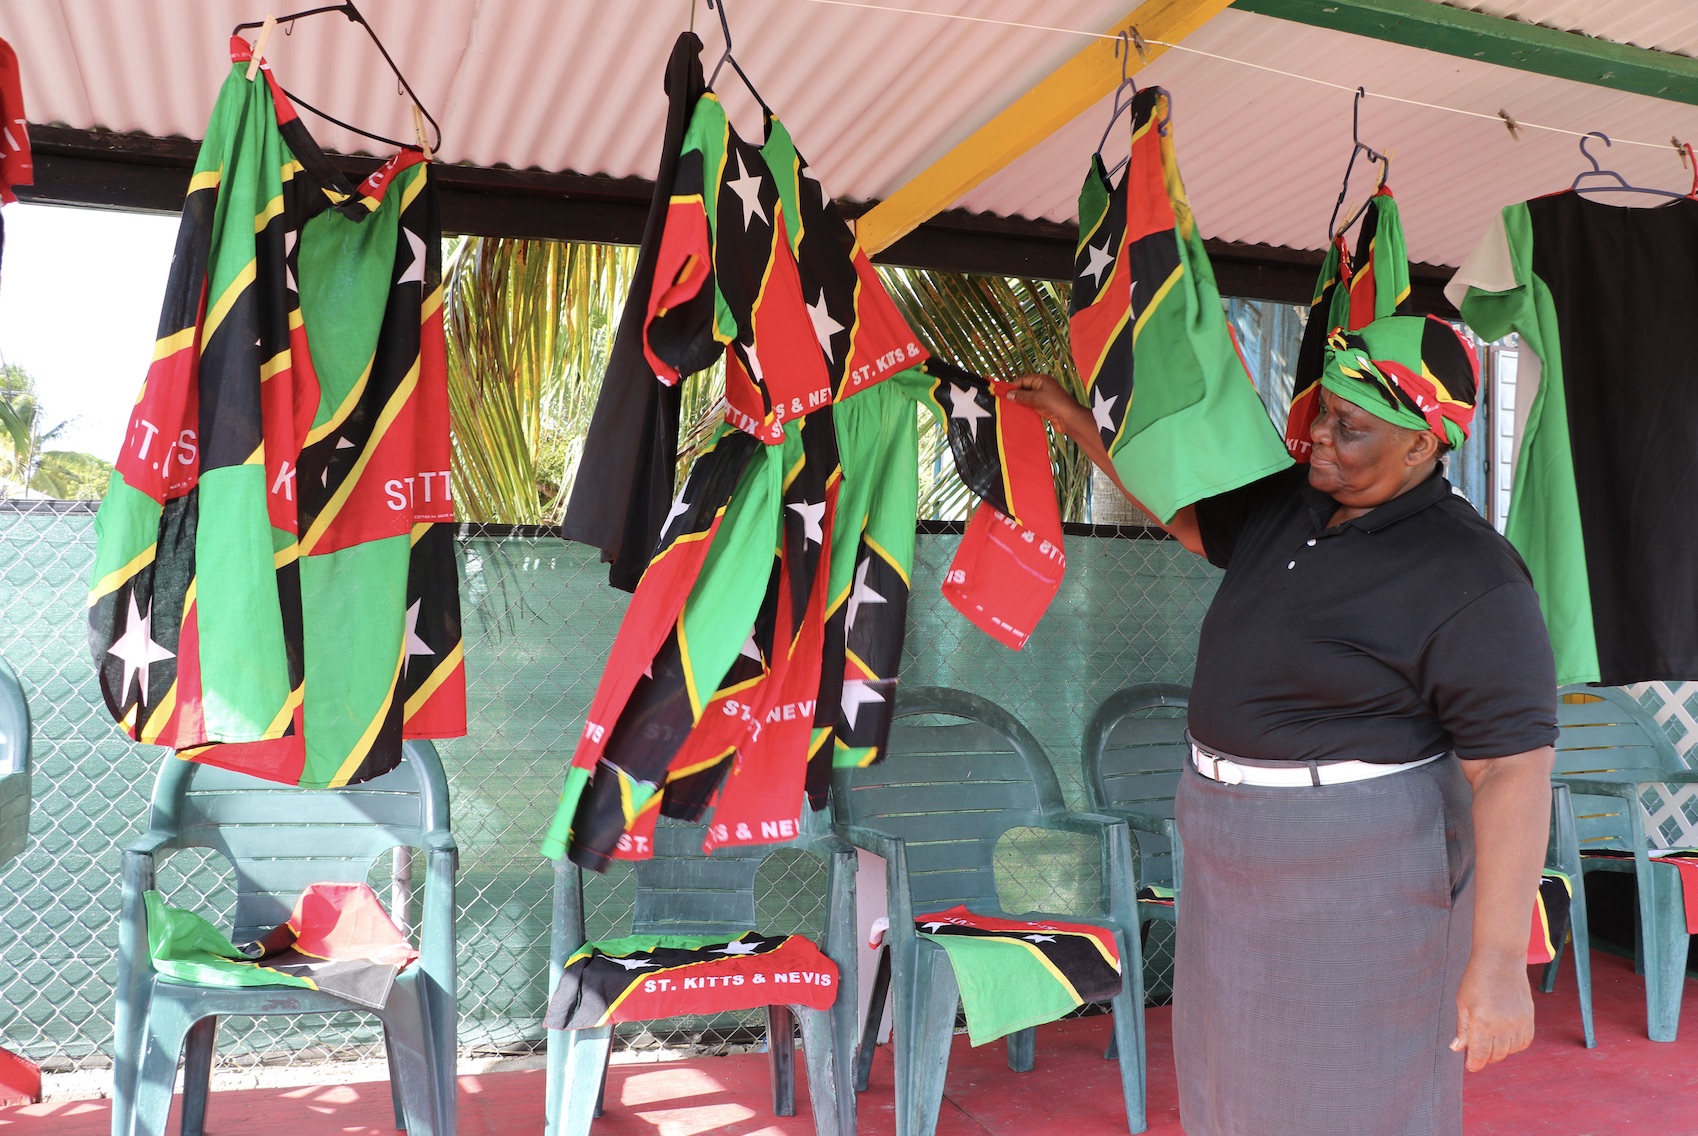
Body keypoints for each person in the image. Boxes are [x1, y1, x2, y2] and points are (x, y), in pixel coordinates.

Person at [1009, 314, 1556, 1136]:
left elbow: (1514, 769)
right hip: (1228, 849)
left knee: (1347, 1088)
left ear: (1420, 444)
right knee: (1231, 1076)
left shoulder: (1472, 573)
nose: (1320, 435)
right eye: (1324, 411)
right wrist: (1077, 423)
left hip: (1359, 864)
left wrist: (1499, 959)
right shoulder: (1296, 500)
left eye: (1350, 425)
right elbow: (1188, 520)